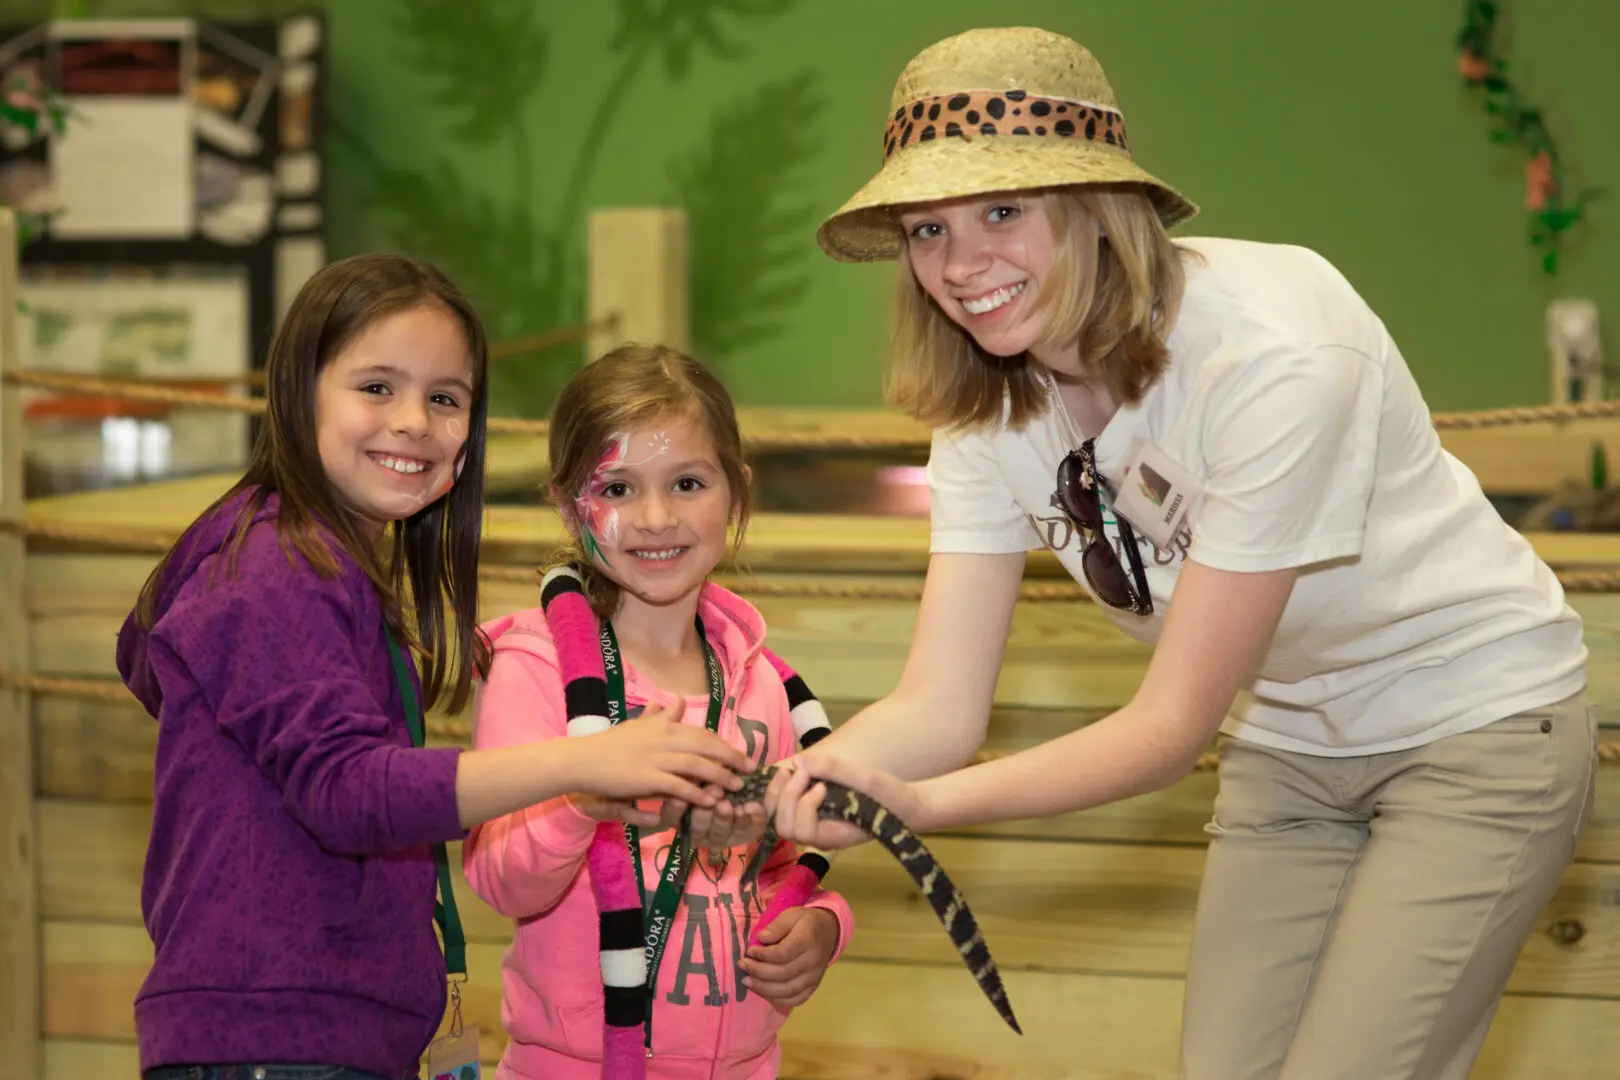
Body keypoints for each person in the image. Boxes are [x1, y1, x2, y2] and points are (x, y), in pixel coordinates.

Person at [768, 25, 1598, 1080]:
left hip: (1473, 728)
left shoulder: (1273, 355)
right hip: (1290, 746)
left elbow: (1168, 726)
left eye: (1004, 211)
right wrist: (813, 778)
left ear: (1096, 205)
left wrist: (922, 808)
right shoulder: (985, 407)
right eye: (928, 228)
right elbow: (940, 704)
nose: (962, 262)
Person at [117, 255, 751, 1080]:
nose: (414, 420)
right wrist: (582, 761)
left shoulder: (333, 570)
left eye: (445, 398)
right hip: (272, 1041)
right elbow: (348, 791)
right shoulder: (271, 566)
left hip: (335, 1038)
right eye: (377, 387)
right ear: (298, 390)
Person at [462, 344, 853, 1080]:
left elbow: (777, 863)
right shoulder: (534, 666)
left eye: (687, 482)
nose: (654, 517)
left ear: (736, 492)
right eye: (614, 488)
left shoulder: (759, 678)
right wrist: (585, 796)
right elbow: (501, 880)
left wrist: (823, 925)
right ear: (564, 501)